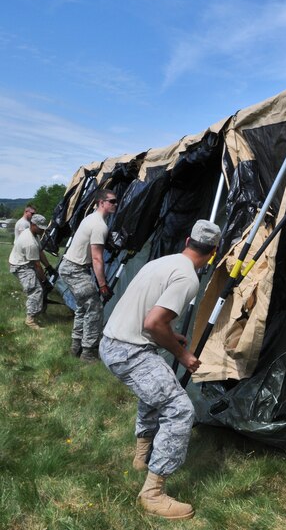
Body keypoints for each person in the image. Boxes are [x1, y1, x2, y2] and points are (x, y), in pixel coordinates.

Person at [99, 219, 220, 520]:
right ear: (213, 253)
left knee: (157, 389)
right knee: (179, 409)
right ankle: (153, 493)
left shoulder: (162, 262)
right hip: (129, 350)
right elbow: (152, 323)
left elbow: (150, 317)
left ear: (188, 240)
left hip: (113, 341)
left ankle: (142, 456)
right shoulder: (188, 278)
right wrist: (183, 353)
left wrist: (170, 337)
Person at [59, 189, 117, 362]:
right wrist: (103, 286)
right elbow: (97, 259)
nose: (115, 204)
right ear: (101, 203)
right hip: (75, 269)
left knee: (83, 307)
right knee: (95, 308)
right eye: (112, 201)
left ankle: (76, 346)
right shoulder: (99, 225)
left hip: (71, 268)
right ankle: (88, 353)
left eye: (115, 201)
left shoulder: (90, 218)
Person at [9, 214, 49, 329]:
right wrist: (43, 279)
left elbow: (40, 252)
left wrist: (49, 266)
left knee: (40, 287)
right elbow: (37, 265)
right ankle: (30, 320)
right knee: (35, 290)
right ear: (33, 225)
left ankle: (39, 311)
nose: (42, 230)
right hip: (21, 267)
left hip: (26, 263)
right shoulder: (29, 241)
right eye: (40, 227)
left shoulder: (34, 234)